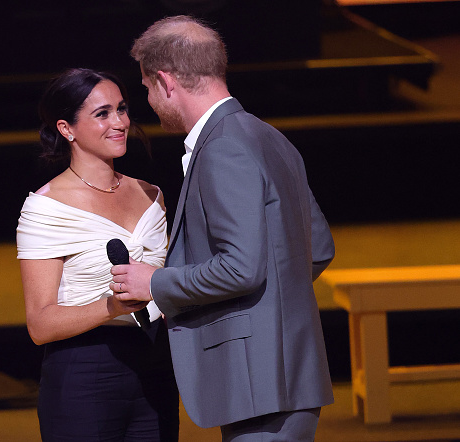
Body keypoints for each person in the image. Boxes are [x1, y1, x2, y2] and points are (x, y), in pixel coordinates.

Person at [110, 16, 335, 441]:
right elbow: (318, 247)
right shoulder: (268, 136)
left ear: (165, 81)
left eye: (145, 89)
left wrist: (155, 282)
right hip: (284, 376)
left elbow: (242, 268)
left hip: (260, 381)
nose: (150, 103)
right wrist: (273, 317)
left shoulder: (223, 147)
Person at [16, 68, 179, 442]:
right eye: (102, 114)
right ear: (66, 129)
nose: (119, 122)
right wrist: (112, 307)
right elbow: (39, 325)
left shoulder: (151, 195)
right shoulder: (47, 208)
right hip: (84, 372)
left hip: (156, 365)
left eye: (121, 109)